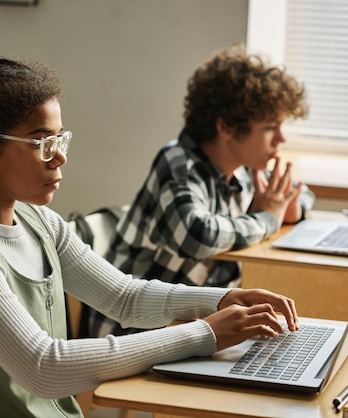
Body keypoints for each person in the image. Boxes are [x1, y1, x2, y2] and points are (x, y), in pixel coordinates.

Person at [0, 57, 299, 418]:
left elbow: (125, 296)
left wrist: (222, 300)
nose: (58, 158)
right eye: (42, 143)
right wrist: (202, 335)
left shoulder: (39, 222)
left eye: (61, 140)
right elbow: (45, 368)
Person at [91, 44, 313, 337]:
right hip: (136, 331)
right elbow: (197, 234)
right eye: (271, 127)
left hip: (194, 325)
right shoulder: (178, 163)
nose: (281, 138)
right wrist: (268, 219)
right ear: (227, 127)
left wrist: (291, 208)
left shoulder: (243, 167)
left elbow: (303, 193)